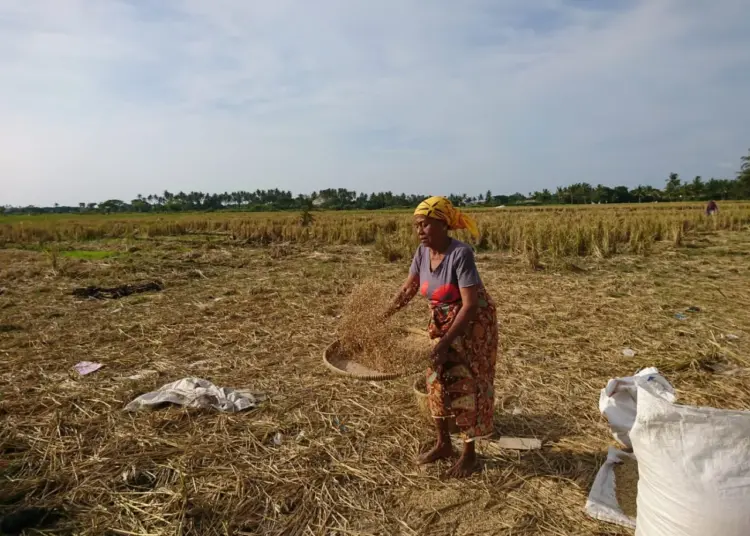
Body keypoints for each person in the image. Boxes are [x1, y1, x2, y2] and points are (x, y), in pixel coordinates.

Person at [385, 196, 498, 478]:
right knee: (434, 379)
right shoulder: (422, 253)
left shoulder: (461, 254)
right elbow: (408, 289)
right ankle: (443, 444)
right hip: (440, 322)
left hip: (470, 325)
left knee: (465, 383)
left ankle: (469, 454)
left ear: (442, 224)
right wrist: (381, 316)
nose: (419, 231)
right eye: (416, 226)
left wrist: (446, 342)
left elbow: (471, 304)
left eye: (424, 225)